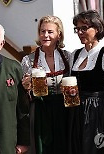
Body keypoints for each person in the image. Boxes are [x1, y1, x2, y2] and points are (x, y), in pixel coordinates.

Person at [68, 10, 104, 154]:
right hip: (78, 115)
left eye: (84, 28)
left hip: (99, 115)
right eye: (77, 29)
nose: (80, 32)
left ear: (97, 29)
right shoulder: (75, 55)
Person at [21, 15, 70, 154]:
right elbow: (23, 93)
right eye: (42, 31)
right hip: (40, 111)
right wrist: (26, 87)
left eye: (50, 32)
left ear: (58, 34)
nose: (45, 35)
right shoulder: (27, 60)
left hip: (64, 111)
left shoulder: (68, 57)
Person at [0, 23, 30, 154]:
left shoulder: (13, 68)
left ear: (1, 44)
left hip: (6, 143)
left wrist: (23, 142)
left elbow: (22, 108)